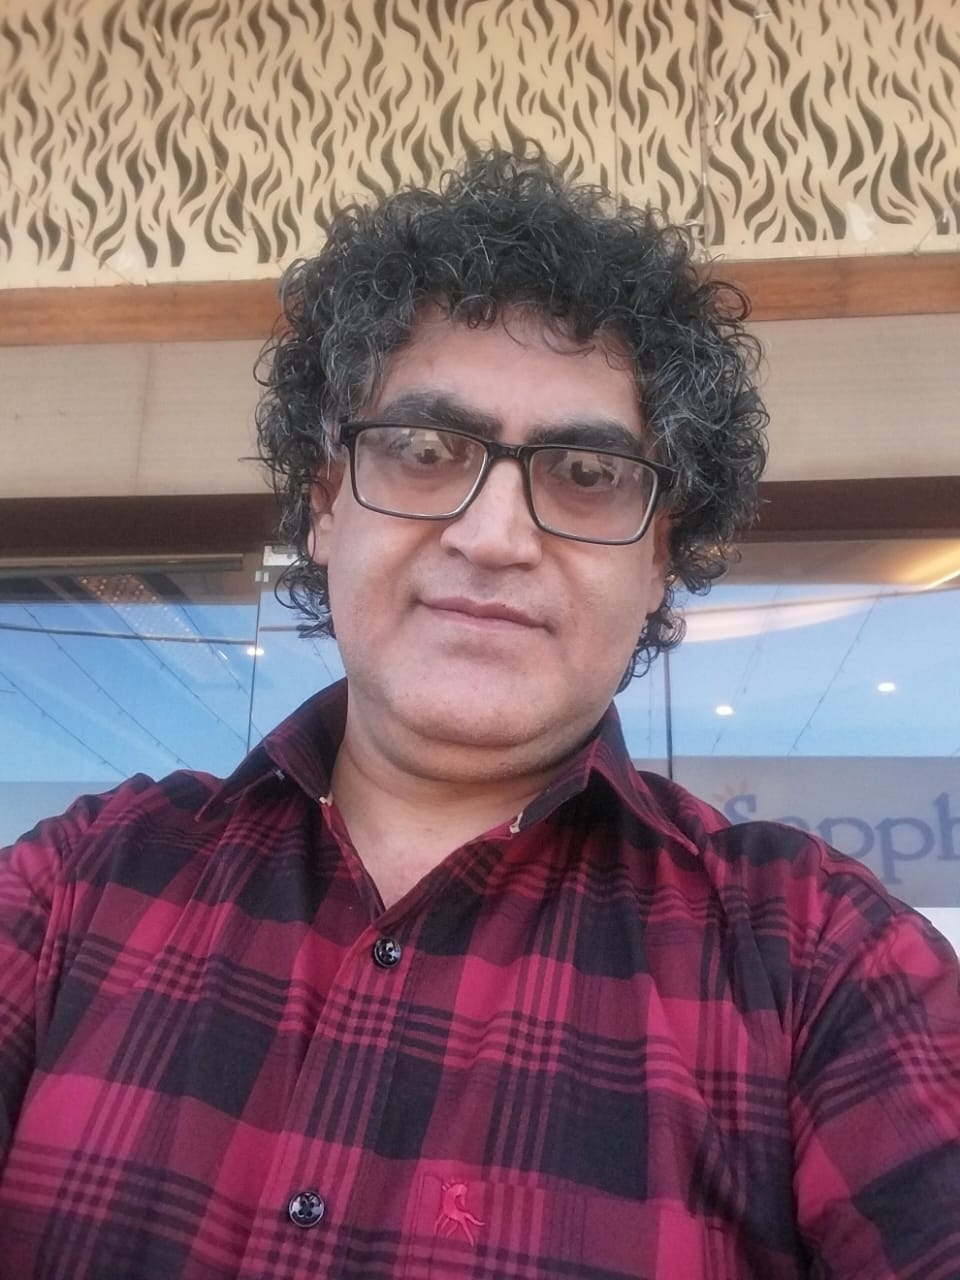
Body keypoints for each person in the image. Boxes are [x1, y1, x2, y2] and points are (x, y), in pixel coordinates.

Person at [0, 148, 957, 1280]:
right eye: (423, 451)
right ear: (325, 506)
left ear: (659, 556)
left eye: (586, 473)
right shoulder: (78, 883)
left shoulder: (821, 962)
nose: (495, 535)